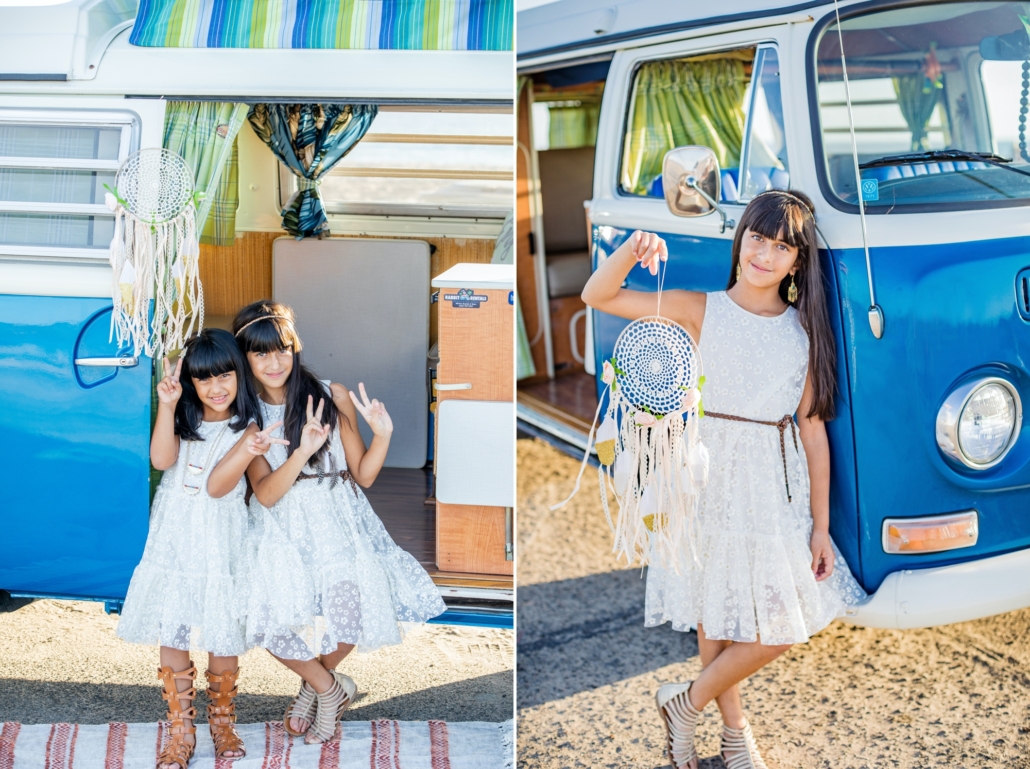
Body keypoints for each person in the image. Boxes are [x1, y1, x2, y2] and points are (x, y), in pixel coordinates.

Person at [580, 190, 866, 769]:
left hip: (772, 477)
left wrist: (820, 524)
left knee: (788, 618)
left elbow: (812, 430)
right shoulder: (699, 306)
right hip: (705, 468)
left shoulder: (805, 330)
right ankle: (734, 734)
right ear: (740, 242)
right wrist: (634, 250)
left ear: (796, 261)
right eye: (757, 238)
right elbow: (597, 294)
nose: (765, 253)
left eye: (781, 246)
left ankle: (686, 702)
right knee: (717, 609)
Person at [226, 301, 446, 745]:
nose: (274, 362)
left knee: (351, 617)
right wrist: (303, 452)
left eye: (283, 350)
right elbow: (266, 495)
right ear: (245, 358)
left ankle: (316, 690)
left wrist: (383, 434)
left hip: (336, 519)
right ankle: (330, 689)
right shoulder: (246, 419)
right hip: (281, 528)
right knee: (266, 621)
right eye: (261, 353)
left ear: (296, 347)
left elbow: (363, 474)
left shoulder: (331, 394)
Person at [117, 328, 281, 769]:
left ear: (239, 376)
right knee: (174, 623)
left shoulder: (246, 429)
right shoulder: (184, 418)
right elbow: (161, 461)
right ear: (191, 383)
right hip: (175, 532)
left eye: (225, 375)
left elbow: (217, 488)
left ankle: (223, 721)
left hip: (221, 536)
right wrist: (167, 405)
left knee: (220, 622)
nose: (217, 387)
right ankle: (180, 727)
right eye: (204, 379)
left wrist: (248, 448)